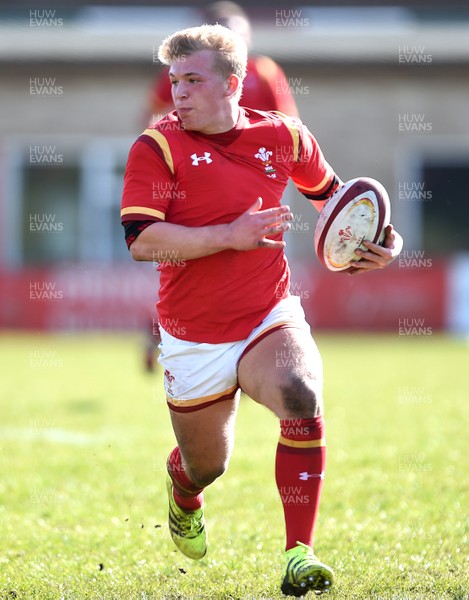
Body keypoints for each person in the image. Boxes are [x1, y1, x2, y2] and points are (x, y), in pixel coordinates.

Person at [121, 24, 403, 596]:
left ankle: (300, 553)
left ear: (234, 82)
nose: (177, 93)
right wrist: (230, 234)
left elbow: (337, 201)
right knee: (207, 466)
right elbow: (142, 242)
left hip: (266, 314)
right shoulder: (157, 145)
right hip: (193, 335)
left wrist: (377, 244)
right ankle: (183, 492)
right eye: (175, 80)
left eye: (193, 80)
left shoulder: (286, 138)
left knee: (301, 394)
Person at [146, 1, 299, 123]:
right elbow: (152, 116)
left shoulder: (265, 70)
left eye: (240, 35)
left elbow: (288, 118)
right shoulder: (180, 69)